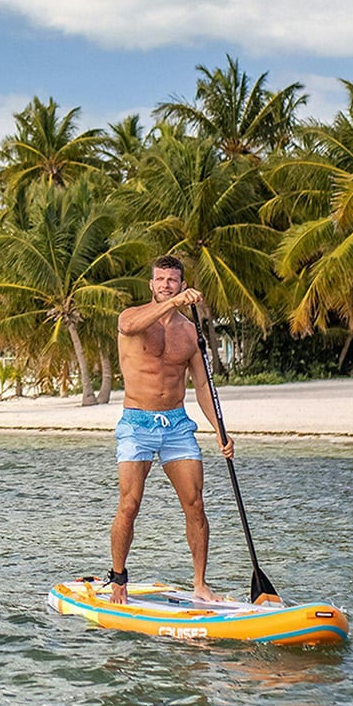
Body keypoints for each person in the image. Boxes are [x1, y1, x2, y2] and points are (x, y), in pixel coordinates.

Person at [109, 256, 234, 604]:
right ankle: (119, 578)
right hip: (137, 423)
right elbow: (131, 327)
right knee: (130, 504)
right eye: (160, 279)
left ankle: (200, 584)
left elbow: (203, 385)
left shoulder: (189, 331)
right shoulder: (130, 317)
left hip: (177, 425)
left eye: (172, 280)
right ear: (151, 284)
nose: (166, 285)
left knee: (195, 504)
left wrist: (219, 430)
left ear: (181, 283)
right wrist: (173, 305)